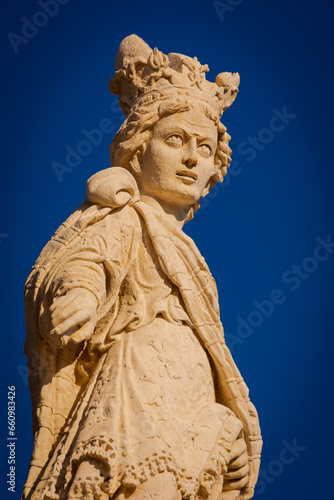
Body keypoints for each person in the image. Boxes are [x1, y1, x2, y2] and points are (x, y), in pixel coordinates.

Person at [23, 35, 262, 500]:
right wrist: (82, 295)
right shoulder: (128, 214)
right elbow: (90, 257)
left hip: (191, 397)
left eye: (206, 149)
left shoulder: (195, 260)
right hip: (139, 381)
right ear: (136, 148)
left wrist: (226, 428)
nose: (193, 157)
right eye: (175, 140)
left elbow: (211, 356)